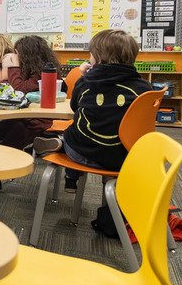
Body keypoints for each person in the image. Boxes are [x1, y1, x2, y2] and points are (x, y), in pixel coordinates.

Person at [32, 29, 152, 192]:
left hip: (81, 154)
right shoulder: (145, 88)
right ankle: (62, 144)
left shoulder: (86, 83)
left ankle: (62, 143)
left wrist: (84, 76)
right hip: (124, 158)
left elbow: (75, 107)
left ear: (99, 59)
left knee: (74, 131)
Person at [0, 35, 62, 192]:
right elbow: (13, 86)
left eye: (18, 53)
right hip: (20, 115)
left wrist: (13, 66)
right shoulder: (29, 68)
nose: (15, 56)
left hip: (36, 120)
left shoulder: (43, 72)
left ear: (28, 55)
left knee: (7, 147)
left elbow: (19, 89)